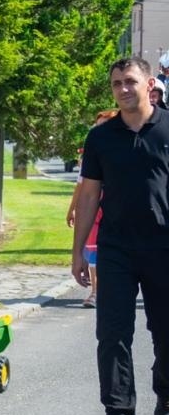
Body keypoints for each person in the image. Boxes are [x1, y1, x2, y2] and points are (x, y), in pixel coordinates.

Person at [69, 55, 169, 415]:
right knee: (112, 333)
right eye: (116, 83)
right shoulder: (102, 137)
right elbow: (90, 193)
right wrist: (79, 251)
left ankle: (166, 391)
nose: (123, 89)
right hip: (115, 248)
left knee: (165, 331)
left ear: (149, 85)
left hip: (164, 246)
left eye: (130, 81)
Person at [66, 110, 118, 308]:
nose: (99, 129)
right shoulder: (90, 154)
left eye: (104, 125)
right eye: (97, 126)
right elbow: (81, 186)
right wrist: (72, 209)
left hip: (116, 209)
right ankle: (96, 291)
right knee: (94, 252)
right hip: (94, 209)